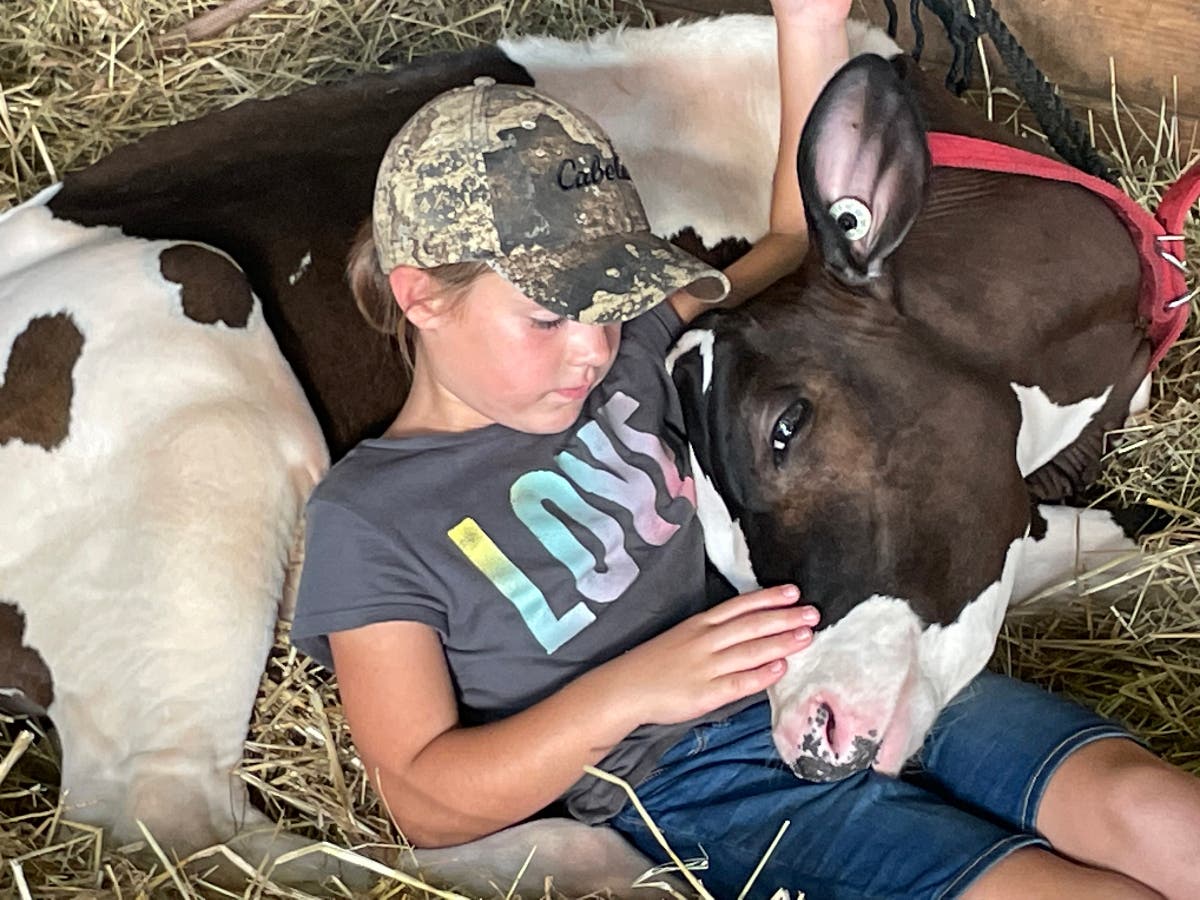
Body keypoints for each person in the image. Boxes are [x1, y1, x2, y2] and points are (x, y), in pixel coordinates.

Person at [291, 1, 1200, 896]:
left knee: (1151, 814)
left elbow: (801, 244)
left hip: (828, 655)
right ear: (420, 297)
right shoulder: (370, 519)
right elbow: (422, 796)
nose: (591, 346)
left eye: (608, 305)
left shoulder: (631, 351)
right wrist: (637, 689)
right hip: (693, 785)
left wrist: (809, 26)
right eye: (550, 314)